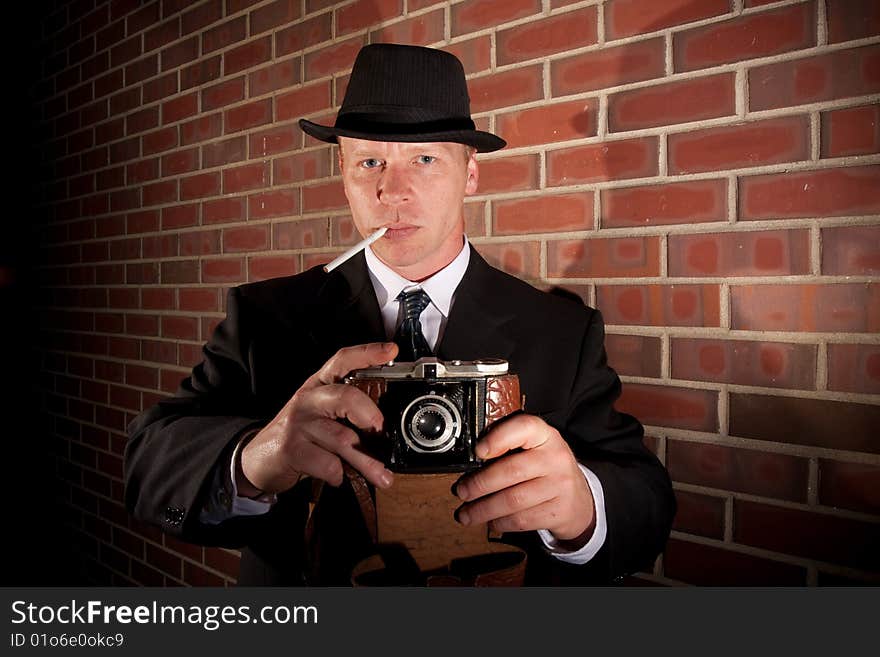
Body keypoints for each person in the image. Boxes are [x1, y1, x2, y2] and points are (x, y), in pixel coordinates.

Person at [124, 43, 675, 586]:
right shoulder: (266, 317)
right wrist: (254, 457)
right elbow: (148, 468)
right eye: (369, 162)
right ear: (343, 175)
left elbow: (646, 502)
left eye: (426, 160)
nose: (393, 191)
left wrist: (583, 508)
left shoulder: (561, 329)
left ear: (471, 174)